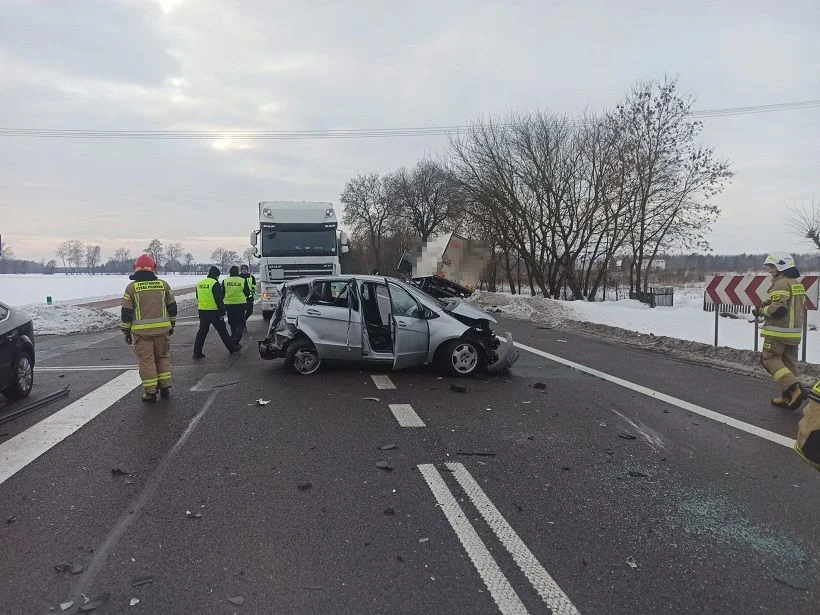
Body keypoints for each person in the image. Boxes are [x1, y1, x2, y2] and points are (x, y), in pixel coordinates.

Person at [753, 253, 807, 410]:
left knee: (769, 359)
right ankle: (788, 397)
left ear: (781, 267)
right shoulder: (797, 284)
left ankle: (795, 388)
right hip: (793, 333)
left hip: (778, 332)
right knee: (789, 364)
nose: (770, 270)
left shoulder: (781, 284)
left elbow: (779, 309)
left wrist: (763, 309)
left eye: (771, 267)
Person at [121, 254, 177, 402]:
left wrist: (126, 331)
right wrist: (172, 324)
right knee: (163, 357)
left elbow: (126, 313)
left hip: (142, 334)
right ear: (153, 269)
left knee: (147, 361)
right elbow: (172, 307)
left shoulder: (131, 288)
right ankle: (165, 387)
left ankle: (150, 392)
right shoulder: (163, 285)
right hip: (163, 331)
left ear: (136, 269)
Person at [193, 266, 241, 359]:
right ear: (216, 275)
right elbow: (219, 299)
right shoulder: (215, 283)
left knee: (202, 332)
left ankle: (197, 352)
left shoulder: (200, 283)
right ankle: (232, 348)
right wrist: (222, 312)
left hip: (202, 311)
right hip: (214, 311)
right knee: (223, 331)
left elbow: (198, 296)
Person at [223, 265, 251, 344]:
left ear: (230, 272)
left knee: (232, 322)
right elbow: (247, 293)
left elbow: (222, 293)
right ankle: (236, 340)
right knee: (240, 323)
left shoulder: (225, 281)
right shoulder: (242, 280)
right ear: (237, 272)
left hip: (229, 305)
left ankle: (233, 336)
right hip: (240, 305)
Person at [240, 263, 257, 329]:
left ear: (247, 270)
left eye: (245, 269)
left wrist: (253, 295)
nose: (244, 270)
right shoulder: (239, 277)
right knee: (242, 312)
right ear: (241, 270)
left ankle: (242, 322)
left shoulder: (251, 277)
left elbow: (254, 286)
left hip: (249, 297)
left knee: (250, 311)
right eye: (243, 269)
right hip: (241, 297)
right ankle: (243, 325)